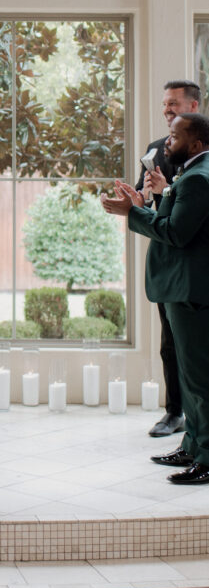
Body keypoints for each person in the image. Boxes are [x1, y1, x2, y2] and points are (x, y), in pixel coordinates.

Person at [101, 113, 209, 485]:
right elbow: (179, 220)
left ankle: (206, 457)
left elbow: (176, 233)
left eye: (174, 136)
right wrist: (154, 200)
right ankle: (192, 446)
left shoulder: (198, 178)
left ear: (195, 144)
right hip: (184, 288)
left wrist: (133, 213)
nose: (166, 142)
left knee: (199, 381)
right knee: (188, 377)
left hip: (191, 290)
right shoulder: (192, 173)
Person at [134, 80, 200, 438]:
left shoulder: (205, 151)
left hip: (198, 260)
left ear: (193, 107)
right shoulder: (156, 149)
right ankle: (174, 413)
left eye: (173, 103)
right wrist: (140, 199)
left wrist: (168, 193)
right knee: (170, 342)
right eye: (164, 104)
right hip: (168, 261)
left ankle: (200, 427)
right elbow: (144, 199)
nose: (167, 109)